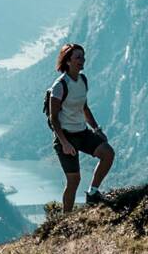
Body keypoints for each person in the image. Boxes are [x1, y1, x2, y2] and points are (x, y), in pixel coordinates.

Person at [48, 43, 115, 212]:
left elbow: (84, 107)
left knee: (108, 153)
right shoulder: (60, 85)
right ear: (68, 61)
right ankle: (66, 219)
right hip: (66, 137)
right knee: (74, 181)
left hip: (82, 132)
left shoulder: (83, 80)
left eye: (83, 57)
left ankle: (93, 193)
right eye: (78, 57)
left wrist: (96, 129)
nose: (82, 60)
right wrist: (64, 142)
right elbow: (53, 117)